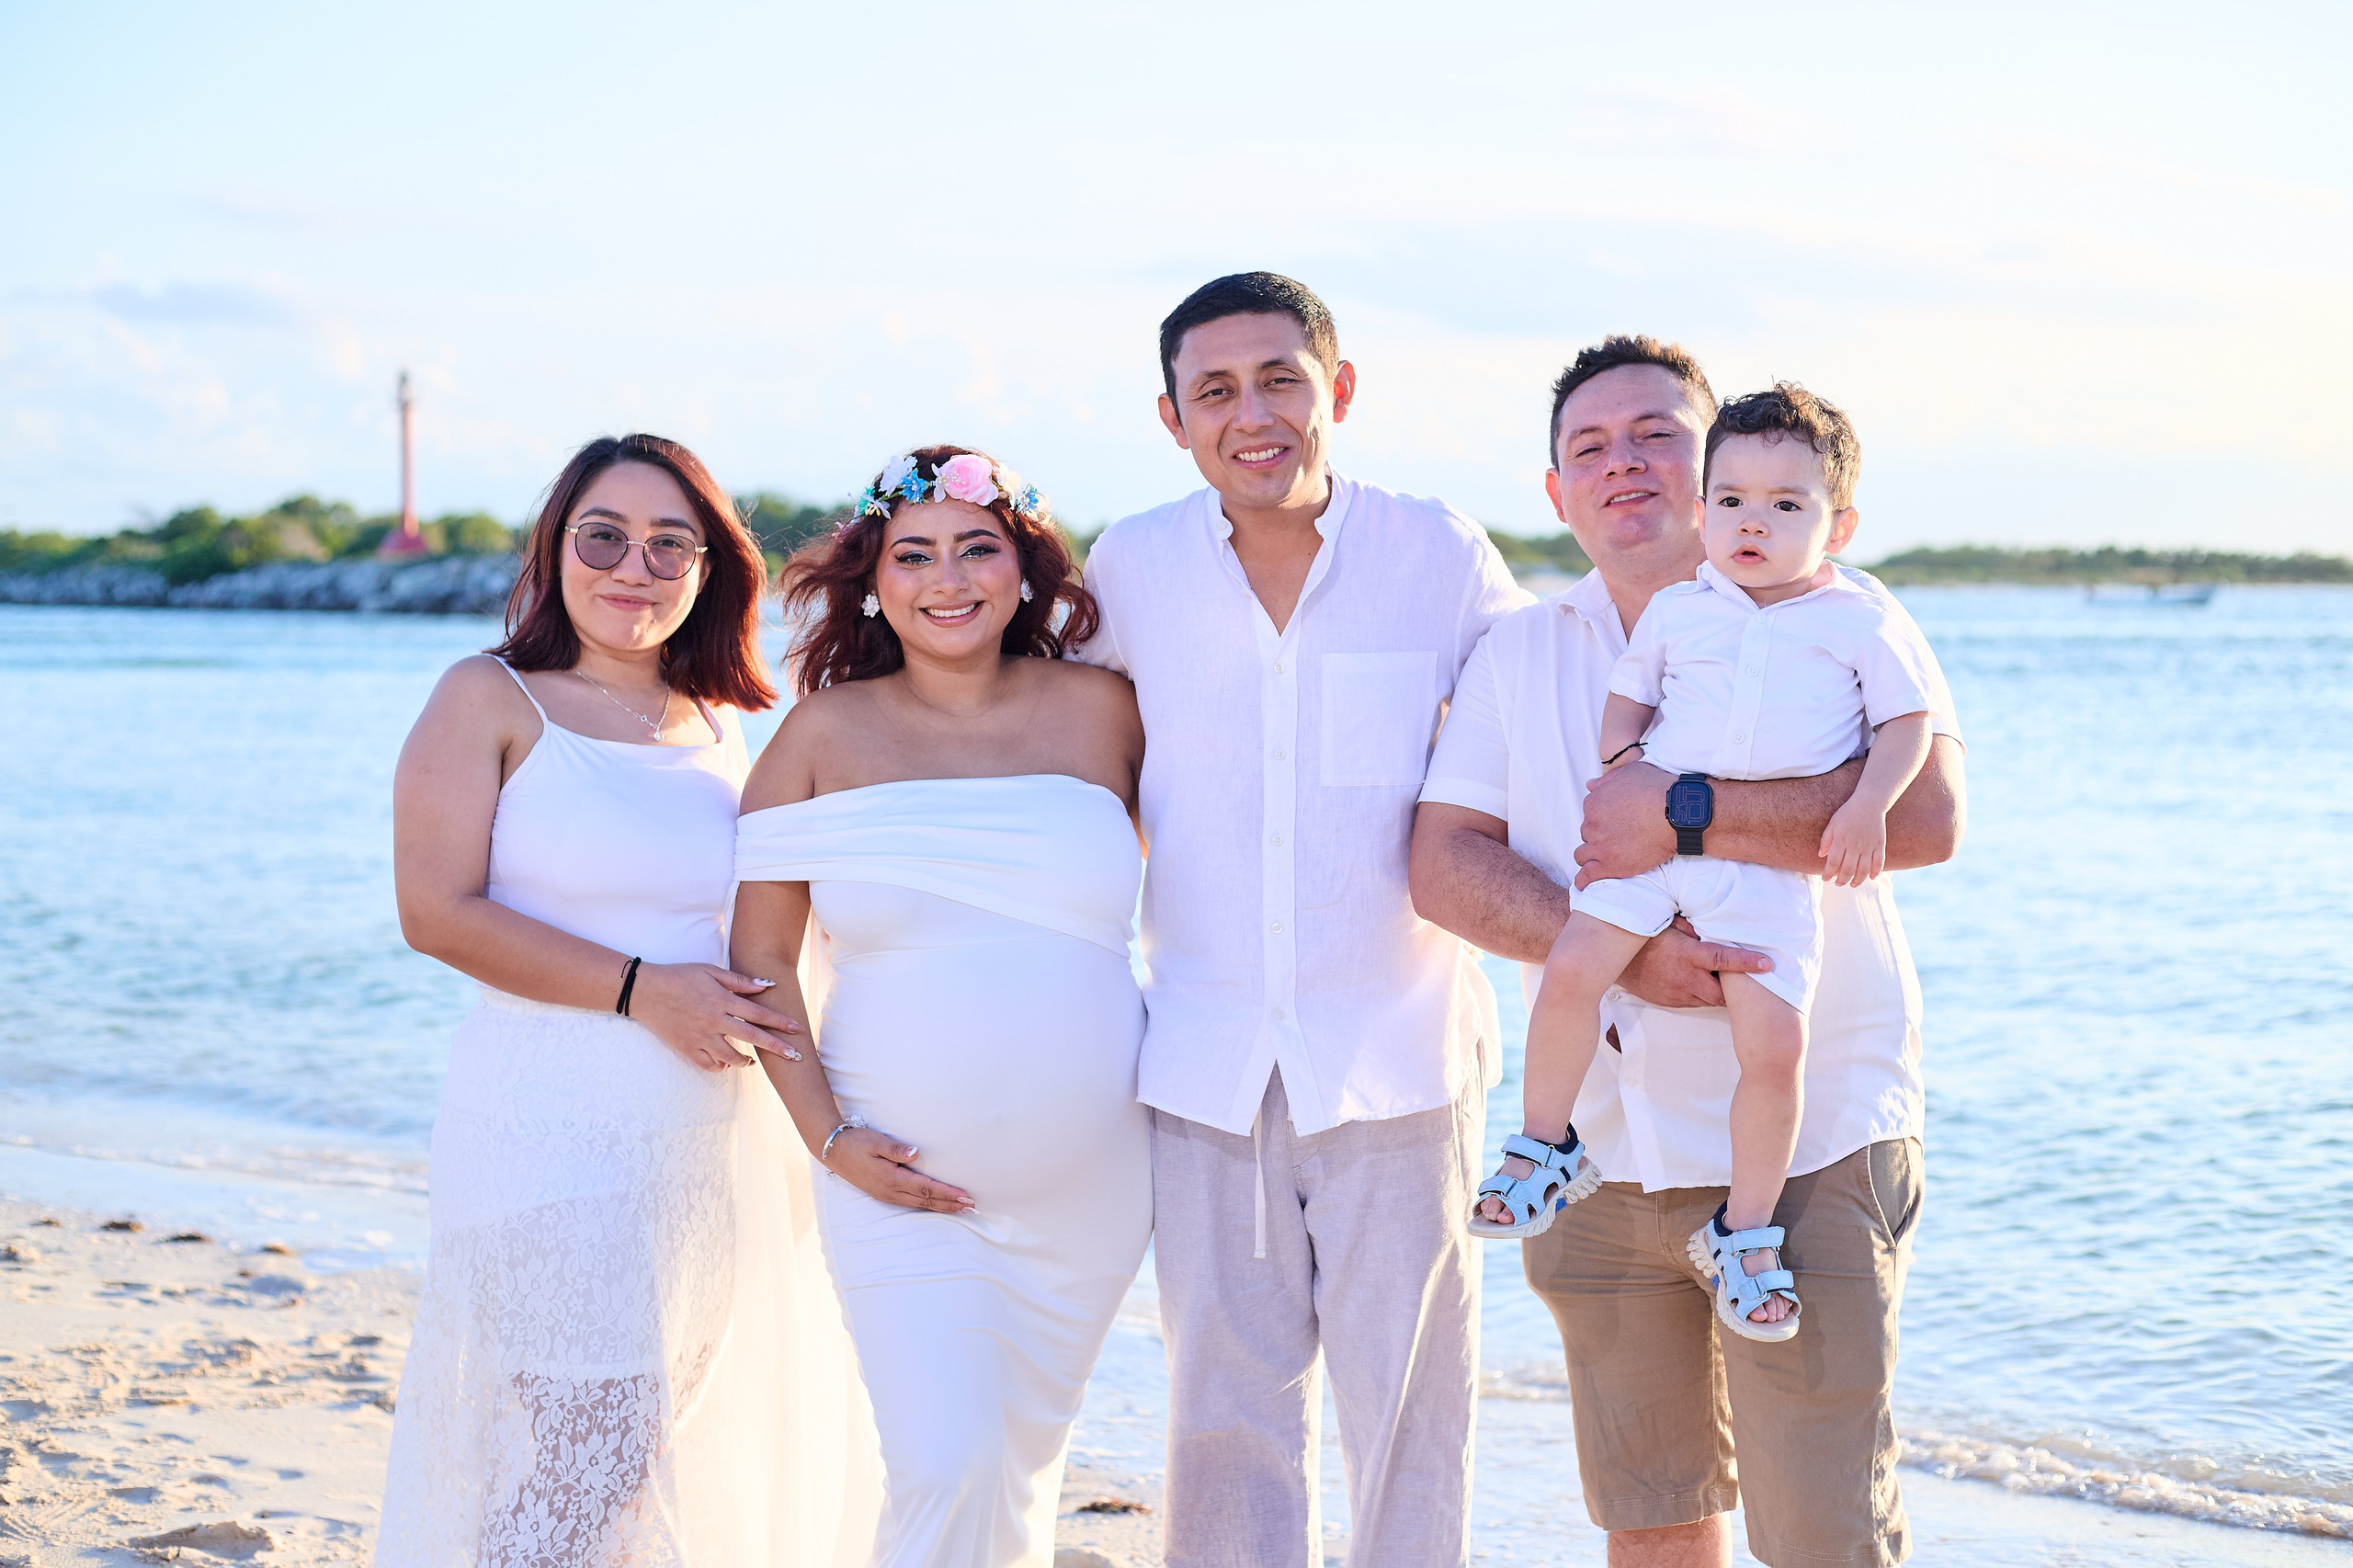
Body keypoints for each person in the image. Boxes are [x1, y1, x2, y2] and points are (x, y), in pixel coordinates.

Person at [1410, 337, 1965, 1568]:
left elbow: (1926, 819)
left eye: (1659, 433)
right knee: (1652, 1518)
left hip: (1815, 1133)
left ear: (1713, 459)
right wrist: (1620, 954)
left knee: (1824, 1534)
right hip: (1600, 1147)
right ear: (1555, 490)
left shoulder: (1847, 615)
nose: (1625, 465)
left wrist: (1689, 809)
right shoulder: (1521, 653)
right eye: (1588, 447)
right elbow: (1442, 859)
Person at [1077, 272, 1528, 1568]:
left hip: (1401, 1054)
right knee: (1224, 1423)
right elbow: (1072, 760)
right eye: (1214, 390)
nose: (1251, 413)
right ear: (1172, 419)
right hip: (1207, 1062)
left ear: (1337, 389)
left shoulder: (1437, 553)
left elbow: (1543, 734)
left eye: (1280, 378)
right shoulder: (1136, 563)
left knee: (1411, 1419)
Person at [380, 434, 878, 1567]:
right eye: (603, 535)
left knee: (643, 1453)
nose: (633, 565)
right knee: (592, 1452)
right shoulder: (488, 697)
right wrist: (642, 992)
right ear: (556, 546)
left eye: (670, 543)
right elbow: (436, 910)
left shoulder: (720, 723)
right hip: (545, 1135)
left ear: (709, 570)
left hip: (705, 1150)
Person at [729, 445, 1151, 1568]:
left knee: (1016, 1468)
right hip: (897, 1181)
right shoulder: (821, 735)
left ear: (1023, 570)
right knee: (947, 1461)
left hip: (1097, 1188)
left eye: (977, 547)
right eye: (913, 554)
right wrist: (827, 1137)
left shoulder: (1107, 711)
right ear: (876, 579)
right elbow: (761, 961)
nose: (947, 577)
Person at [1471, 384, 1941, 1350]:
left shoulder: (1859, 618)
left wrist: (1861, 806)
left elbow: (1907, 729)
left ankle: (1744, 1228)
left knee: (1774, 1047)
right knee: (1569, 970)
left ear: (1837, 524)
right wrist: (1621, 775)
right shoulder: (1683, 612)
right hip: (1644, 859)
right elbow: (1627, 700)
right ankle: (1543, 1143)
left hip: (1762, 883)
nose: (1750, 522)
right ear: (1704, 508)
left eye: (1784, 505)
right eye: (1731, 501)